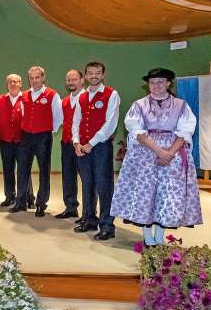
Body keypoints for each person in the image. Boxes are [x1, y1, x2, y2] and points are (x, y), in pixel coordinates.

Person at [111, 68, 202, 246]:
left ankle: (160, 236)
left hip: (173, 152)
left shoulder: (181, 105)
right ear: (148, 85)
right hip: (145, 153)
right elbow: (135, 130)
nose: (156, 86)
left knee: (166, 195)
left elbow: (185, 130)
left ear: (168, 83)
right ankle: (147, 236)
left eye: (161, 82)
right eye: (152, 82)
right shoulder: (139, 105)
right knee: (145, 194)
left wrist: (170, 152)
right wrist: (160, 151)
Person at [72, 62, 120, 240]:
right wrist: (76, 143)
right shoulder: (82, 96)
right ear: (85, 76)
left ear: (103, 75)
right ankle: (89, 219)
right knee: (87, 184)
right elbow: (76, 121)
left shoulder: (111, 94)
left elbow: (111, 124)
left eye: (97, 73)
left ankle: (107, 225)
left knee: (103, 186)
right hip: (82, 147)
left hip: (100, 147)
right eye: (90, 73)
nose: (94, 76)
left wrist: (91, 143)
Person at [10, 66, 62, 217]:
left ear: (43, 78)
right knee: (22, 170)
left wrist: (49, 132)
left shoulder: (52, 95)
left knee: (44, 171)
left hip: (43, 137)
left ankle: (41, 204)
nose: (34, 81)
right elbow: (25, 114)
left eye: (37, 77)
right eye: (31, 78)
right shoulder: (24, 95)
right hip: (26, 136)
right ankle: (20, 202)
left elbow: (58, 118)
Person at [0, 74, 34, 208]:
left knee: (24, 170)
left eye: (16, 82)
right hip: (6, 141)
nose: (13, 84)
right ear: (7, 84)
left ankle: (28, 198)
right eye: (10, 82)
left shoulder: (26, 98)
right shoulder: (0, 100)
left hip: (22, 141)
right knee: (8, 170)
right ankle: (9, 196)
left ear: (21, 84)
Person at [56, 70, 85, 220]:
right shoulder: (64, 101)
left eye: (74, 79)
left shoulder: (87, 98)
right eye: (68, 80)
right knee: (68, 177)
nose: (71, 82)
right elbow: (59, 121)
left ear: (82, 80)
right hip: (66, 143)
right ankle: (71, 207)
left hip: (83, 145)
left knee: (86, 179)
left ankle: (88, 213)